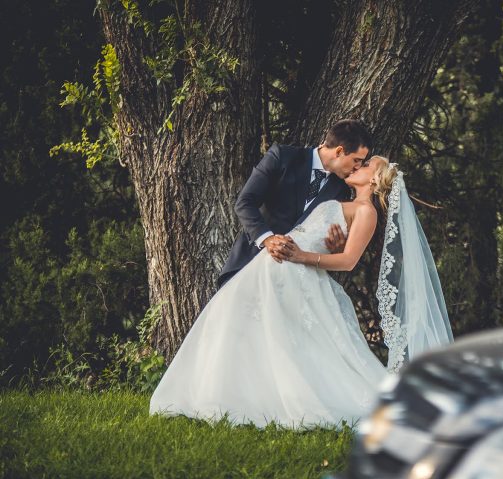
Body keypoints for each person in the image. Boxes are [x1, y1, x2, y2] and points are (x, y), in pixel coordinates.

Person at [149, 156, 454, 428]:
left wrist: (301, 257)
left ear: (375, 180)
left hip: (294, 270)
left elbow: (348, 261)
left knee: (288, 343)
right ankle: (223, 393)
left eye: (366, 165)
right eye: (358, 161)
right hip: (274, 267)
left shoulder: (367, 212)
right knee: (238, 325)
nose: (358, 166)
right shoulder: (340, 196)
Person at [217, 119, 371, 289]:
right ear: (339, 151)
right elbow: (245, 202)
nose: (358, 167)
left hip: (295, 285)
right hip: (249, 265)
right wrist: (267, 238)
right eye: (357, 160)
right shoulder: (282, 156)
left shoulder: (341, 190)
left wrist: (336, 248)